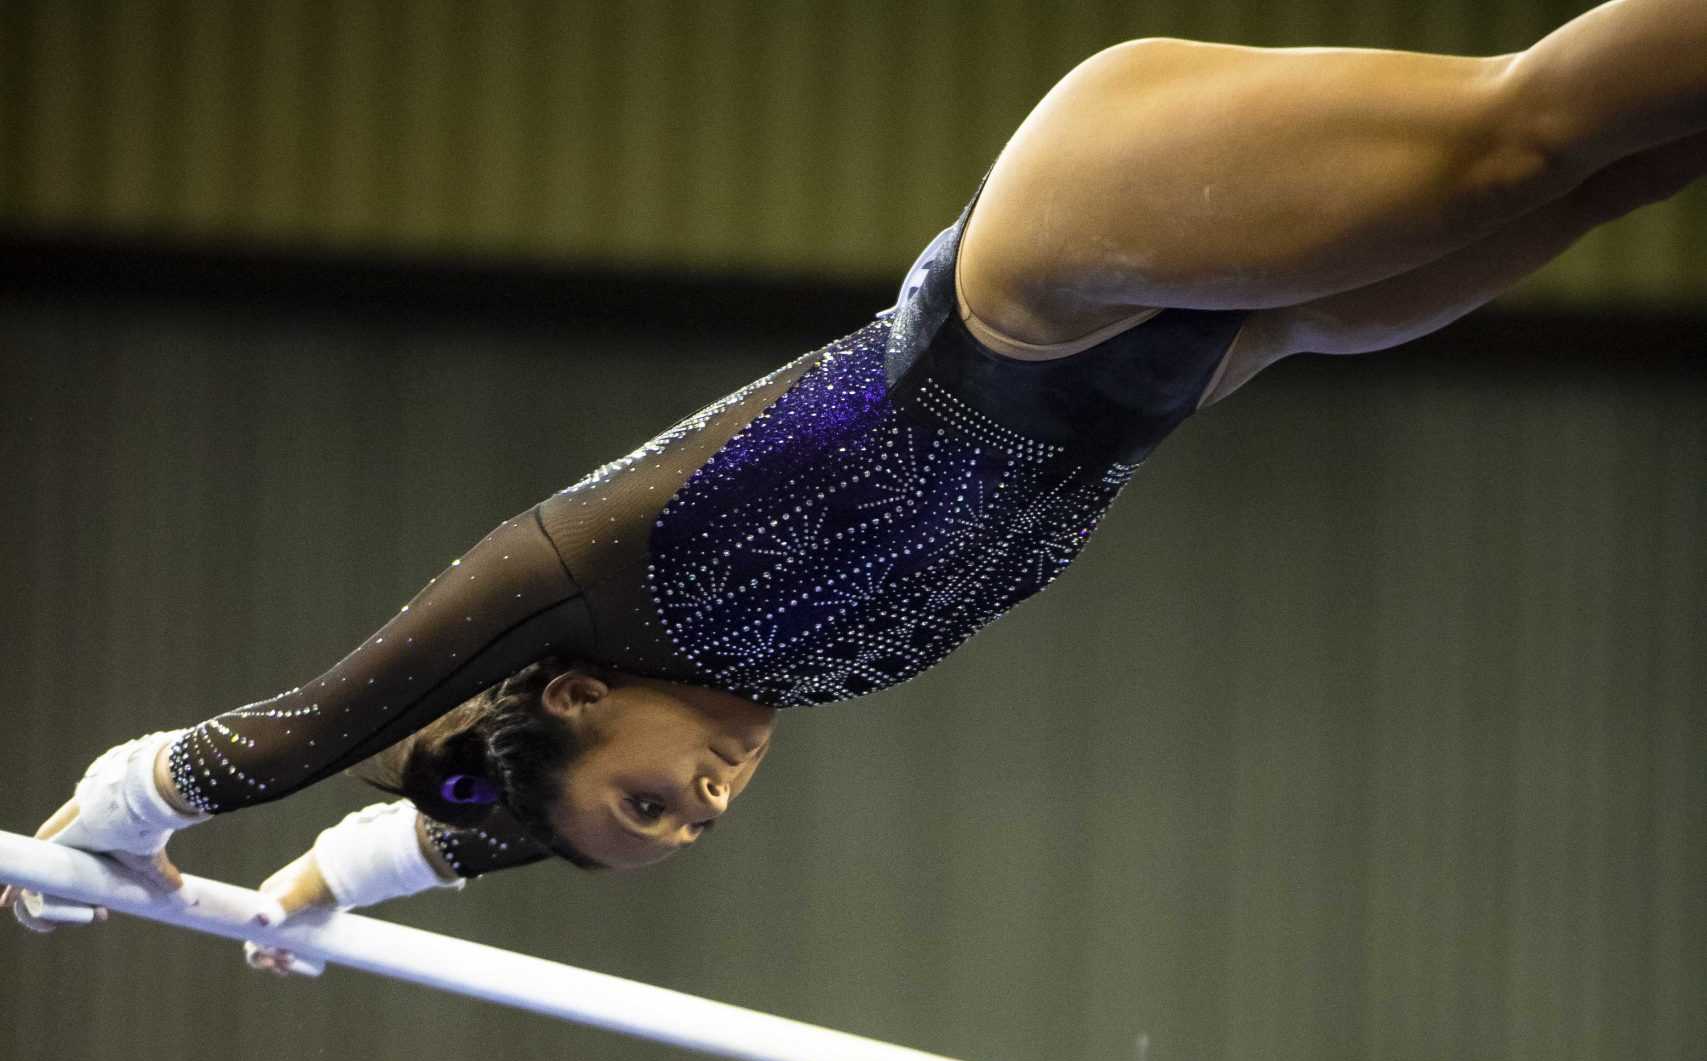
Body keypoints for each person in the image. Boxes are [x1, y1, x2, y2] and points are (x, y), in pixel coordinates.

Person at [13, 9, 1707, 968]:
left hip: (1053, 267)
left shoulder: (599, 575)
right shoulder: (766, 675)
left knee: (1529, 134)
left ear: (583, 693)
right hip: (1219, 347)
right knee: (1606, 185)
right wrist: (339, 889)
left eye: (657, 801)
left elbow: (315, 721)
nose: (714, 801)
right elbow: (503, 817)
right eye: (689, 829)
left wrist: (131, 824)